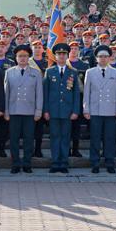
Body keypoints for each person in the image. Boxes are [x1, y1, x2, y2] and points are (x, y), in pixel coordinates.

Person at [83, 45, 116, 174]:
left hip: (111, 110)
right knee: (95, 138)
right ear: (96, 58)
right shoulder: (90, 72)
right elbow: (86, 92)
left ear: (109, 58)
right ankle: (95, 163)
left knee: (110, 138)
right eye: (100, 56)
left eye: (106, 56)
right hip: (95, 110)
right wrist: (86, 109)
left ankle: (110, 163)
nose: (103, 59)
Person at [4, 44, 43, 174]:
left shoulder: (36, 73)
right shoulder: (9, 72)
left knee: (28, 139)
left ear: (29, 57)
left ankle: (27, 163)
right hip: (14, 110)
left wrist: (38, 111)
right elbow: (6, 93)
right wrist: (6, 111)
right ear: (16, 58)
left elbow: (39, 93)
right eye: (20, 56)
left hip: (29, 111)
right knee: (14, 139)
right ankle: (15, 163)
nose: (22, 58)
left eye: (25, 56)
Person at [43, 43, 81, 174]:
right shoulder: (49, 71)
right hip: (53, 110)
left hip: (67, 111)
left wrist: (75, 111)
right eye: (59, 54)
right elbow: (45, 93)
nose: (61, 56)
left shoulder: (73, 72)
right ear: (55, 56)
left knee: (65, 137)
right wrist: (45, 110)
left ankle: (64, 162)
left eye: (64, 54)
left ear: (67, 55)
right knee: (54, 137)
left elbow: (76, 93)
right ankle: (55, 162)